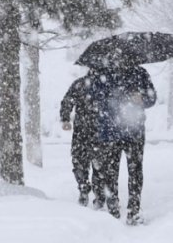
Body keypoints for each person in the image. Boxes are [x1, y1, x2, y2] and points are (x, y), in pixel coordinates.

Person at [94, 65, 156, 225]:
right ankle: (113, 210)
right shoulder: (103, 74)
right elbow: (95, 98)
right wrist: (114, 99)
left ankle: (133, 211)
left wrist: (142, 98)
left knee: (135, 171)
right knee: (110, 172)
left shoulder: (140, 73)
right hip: (110, 132)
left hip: (134, 132)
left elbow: (152, 98)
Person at [60, 68, 103, 208]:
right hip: (100, 132)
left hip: (81, 131)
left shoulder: (80, 83)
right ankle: (98, 194)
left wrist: (65, 118)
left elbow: (67, 101)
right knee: (99, 165)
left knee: (80, 162)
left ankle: (84, 188)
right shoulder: (106, 85)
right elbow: (67, 101)